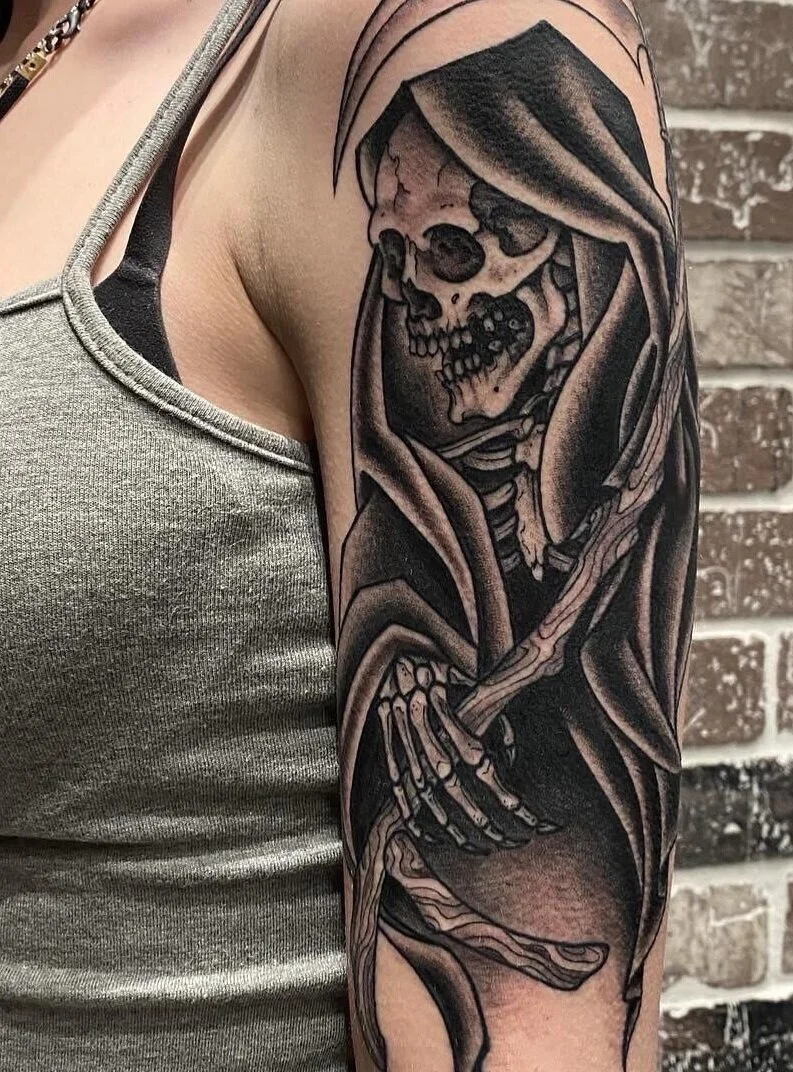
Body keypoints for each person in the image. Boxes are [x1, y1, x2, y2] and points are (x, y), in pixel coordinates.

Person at [0, 1, 698, 1068]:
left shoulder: (426, 26)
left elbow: (534, 1023)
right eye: (402, 257)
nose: (422, 301)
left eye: (454, 252)